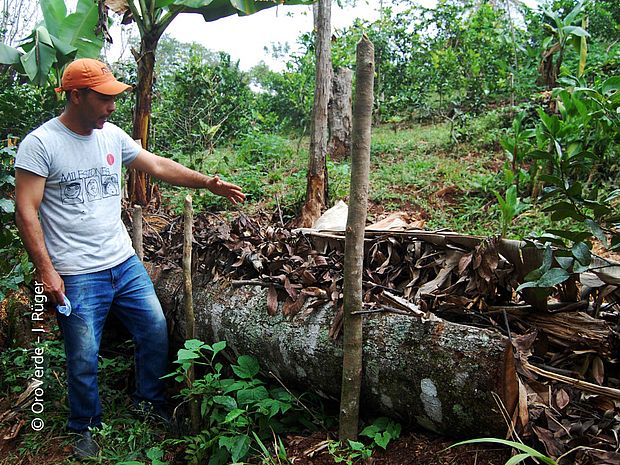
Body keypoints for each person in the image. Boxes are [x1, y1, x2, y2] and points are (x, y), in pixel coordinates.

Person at [14, 58, 245, 458]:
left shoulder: (112, 136)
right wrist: (47, 272)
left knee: (154, 328)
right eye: (103, 99)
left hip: (123, 261)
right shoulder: (41, 144)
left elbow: (156, 165)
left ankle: (149, 402)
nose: (111, 106)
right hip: (76, 270)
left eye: (113, 98)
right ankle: (84, 425)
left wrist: (207, 182)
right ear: (76, 96)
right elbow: (26, 211)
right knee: (83, 353)